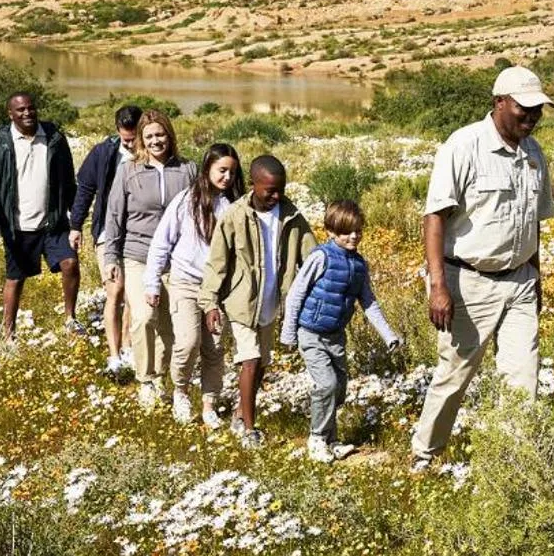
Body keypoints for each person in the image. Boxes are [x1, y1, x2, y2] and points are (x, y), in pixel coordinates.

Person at [409, 65, 554, 468]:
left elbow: (534, 224)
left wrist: (537, 277)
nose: (531, 118)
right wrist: (438, 286)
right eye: (524, 110)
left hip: (521, 281)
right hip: (470, 281)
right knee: (454, 375)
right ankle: (425, 453)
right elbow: (435, 218)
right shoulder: (464, 146)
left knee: (523, 379)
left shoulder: (535, 155)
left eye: (537, 111)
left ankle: (512, 465)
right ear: (499, 103)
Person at [198, 154, 313, 448]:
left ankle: (240, 411)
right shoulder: (234, 217)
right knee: (249, 360)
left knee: (261, 363)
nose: (276, 196)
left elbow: (311, 257)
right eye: (269, 190)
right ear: (252, 184)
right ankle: (250, 429)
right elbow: (217, 264)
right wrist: (210, 302)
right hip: (241, 303)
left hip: (272, 303)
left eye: (281, 189)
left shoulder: (292, 216)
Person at [281, 199, 404, 462]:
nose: (354, 236)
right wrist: (289, 333)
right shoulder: (320, 257)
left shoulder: (359, 264)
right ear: (331, 231)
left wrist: (388, 334)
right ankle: (316, 440)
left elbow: (368, 302)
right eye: (347, 231)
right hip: (311, 332)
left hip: (336, 336)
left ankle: (331, 440)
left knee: (339, 390)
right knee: (326, 384)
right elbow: (296, 294)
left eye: (358, 230)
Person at [100, 111, 193, 411]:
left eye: (160, 135)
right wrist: (112, 256)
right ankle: (146, 379)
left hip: (175, 259)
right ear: (141, 139)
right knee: (142, 317)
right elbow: (114, 216)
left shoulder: (187, 169)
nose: (156, 141)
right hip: (137, 254)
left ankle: (162, 377)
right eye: (149, 136)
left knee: (169, 325)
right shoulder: (129, 171)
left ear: (170, 135)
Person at [148, 143, 244, 428]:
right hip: (185, 283)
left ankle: (209, 404)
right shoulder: (186, 200)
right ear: (207, 169)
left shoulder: (233, 206)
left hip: (216, 290)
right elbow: (161, 242)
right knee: (187, 342)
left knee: (214, 347)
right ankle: (180, 391)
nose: (226, 177)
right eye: (221, 170)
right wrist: (152, 282)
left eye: (231, 172)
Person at [0, 91, 80, 339]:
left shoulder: (54, 138)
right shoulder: (0, 144)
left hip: (53, 222)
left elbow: (68, 180)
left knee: (70, 263)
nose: (27, 113)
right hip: (18, 226)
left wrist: (75, 220)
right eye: (20, 110)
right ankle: (8, 333)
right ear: (10, 114)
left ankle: (70, 318)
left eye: (30, 108)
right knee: (15, 278)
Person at [72, 103, 143, 373]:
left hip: (138, 232)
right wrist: (75, 225)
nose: (131, 143)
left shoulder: (151, 154)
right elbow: (85, 190)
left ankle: (127, 345)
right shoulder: (103, 153)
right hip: (107, 231)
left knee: (132, 292)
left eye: (134, 137)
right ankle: (114, 354)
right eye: (126, 139)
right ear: (117, 131)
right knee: (115, 290)